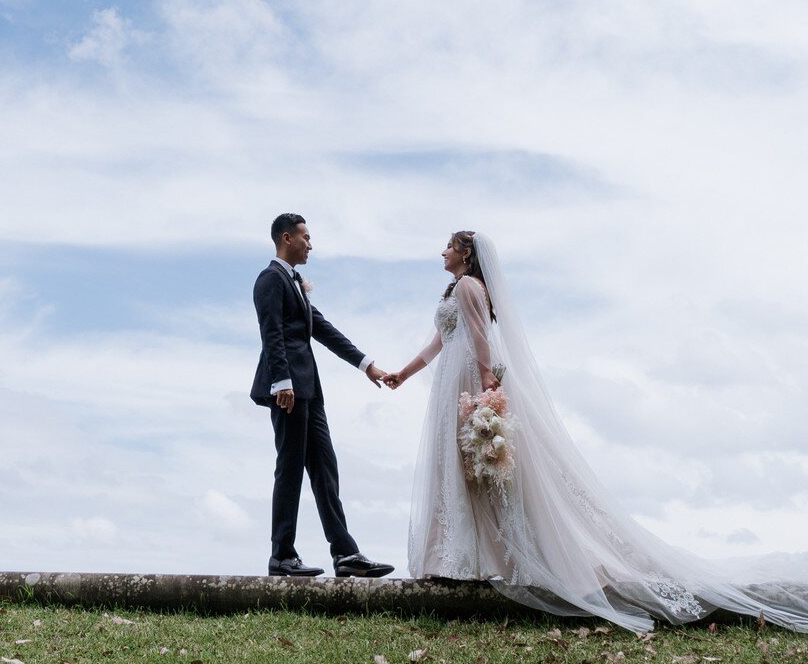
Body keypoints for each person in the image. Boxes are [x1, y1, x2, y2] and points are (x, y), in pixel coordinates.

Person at [383, 231, 808, 632]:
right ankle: (461, 558)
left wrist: (485, 379)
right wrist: (405, 372)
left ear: (467, 254)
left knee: (477, 470)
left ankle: (470, 559)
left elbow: (479, 336)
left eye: (449, 247)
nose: (443, 253)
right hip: (451, 383)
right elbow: (440, 340)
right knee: (465, 470)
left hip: (467, 382)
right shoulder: (456, 289)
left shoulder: (468, 287)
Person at [251, 213, 393, 579]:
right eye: (306, 237)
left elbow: (323, 330)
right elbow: (272, 333)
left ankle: (345, 554)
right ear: (286, 238)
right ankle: (281, 555)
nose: (310, 244)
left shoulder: (294, 283)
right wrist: (282, 383)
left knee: (325, 471)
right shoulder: (270, 279)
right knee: (290, 469)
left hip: (310, 391)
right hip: (288, 392)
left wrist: (366, 365)